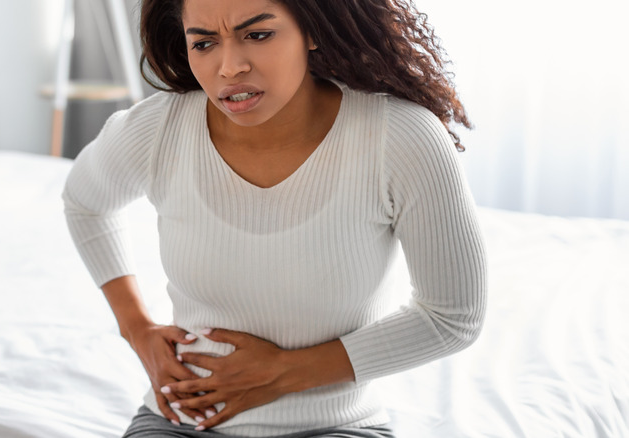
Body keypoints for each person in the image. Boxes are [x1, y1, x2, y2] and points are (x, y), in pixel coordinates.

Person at [62, 0, 487, 436]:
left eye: (258, 35)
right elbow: (85, 201)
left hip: (336, 426)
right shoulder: (158, 129)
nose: (229, 67)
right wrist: (137, 329)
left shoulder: (400, 138)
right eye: (204, 43)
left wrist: (284, 372)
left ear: (313, 30)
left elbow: (453, 317)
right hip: (182, 420)